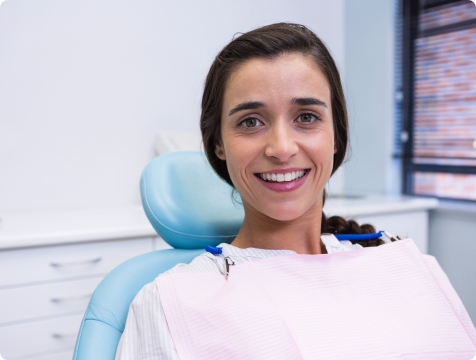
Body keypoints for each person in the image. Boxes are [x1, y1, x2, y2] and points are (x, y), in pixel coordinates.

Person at [115, 23, 475, 359]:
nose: (282, 148)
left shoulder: (398, 263)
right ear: (218, 144)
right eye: (251, 122)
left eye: (306, 117)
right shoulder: (171, 302)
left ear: (336, 135)